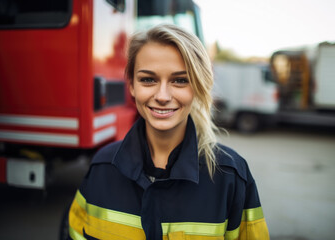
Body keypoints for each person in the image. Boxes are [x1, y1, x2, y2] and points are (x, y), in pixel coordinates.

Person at [67, 24, 270, 240]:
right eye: (148, 79)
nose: (162, 96)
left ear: (198, 87)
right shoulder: (102, 166)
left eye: (180, 80)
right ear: (132, 85)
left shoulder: (231, 175)